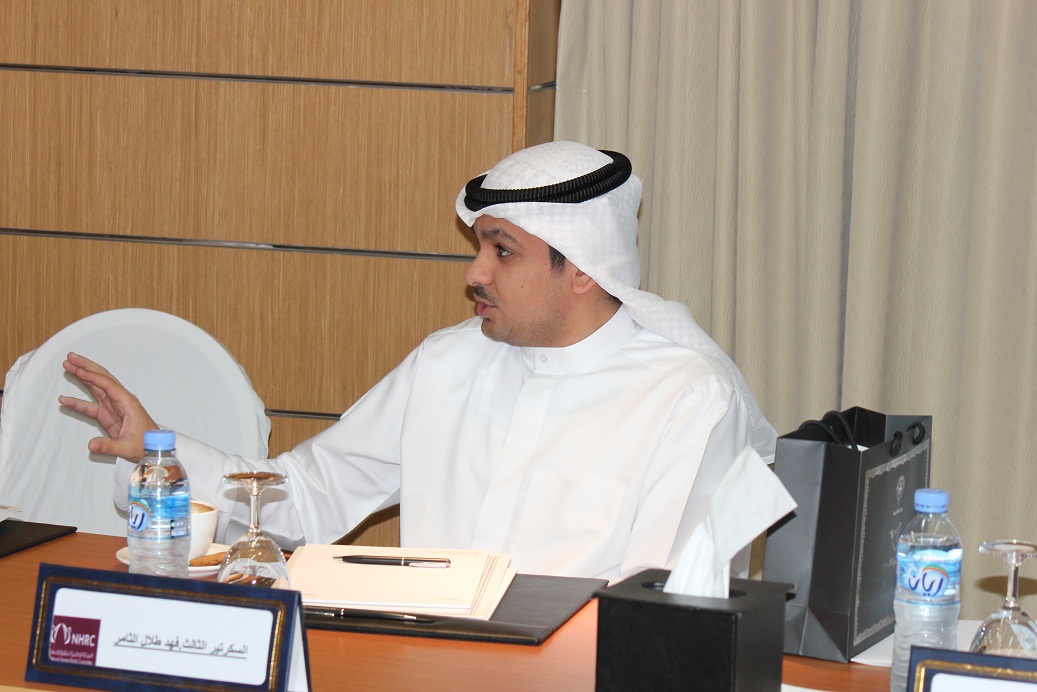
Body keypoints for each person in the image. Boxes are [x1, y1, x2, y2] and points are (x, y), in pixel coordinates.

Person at [60, 141, 777, 581]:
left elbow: (661, 605)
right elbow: (306, 496)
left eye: (502, 251)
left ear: (583, 269)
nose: (474, 273)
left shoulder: (686, 396)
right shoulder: (447, 362)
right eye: (480, 246)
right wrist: (159, 452)